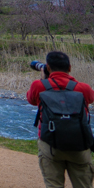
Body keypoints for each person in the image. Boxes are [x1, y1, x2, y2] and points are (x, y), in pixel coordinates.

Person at [27, 51, 94, 188]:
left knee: (53, 185)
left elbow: (32, 100)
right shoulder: (83, 88)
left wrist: (44, 78)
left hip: (50, 145)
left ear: (48, 67)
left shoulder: (39, 86)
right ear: (69, 68)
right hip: (79, 146)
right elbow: (90, 99)